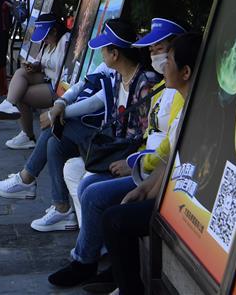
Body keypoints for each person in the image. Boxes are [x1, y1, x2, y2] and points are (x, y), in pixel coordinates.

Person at [49, 22, 193, 289]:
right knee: (78, 173)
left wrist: (134, 163)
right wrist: (60, 104)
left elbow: (167, 147)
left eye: (162, 51)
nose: (155, 56)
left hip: (147, 166)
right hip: (141, 162)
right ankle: (94, 256)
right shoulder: (159, 85)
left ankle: (87, 261)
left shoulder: (160, 87)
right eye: (151, 49)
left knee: (93, 193)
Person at [0, 19, 154, 232]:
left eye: (104, 49)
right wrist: (59, 104)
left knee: (56, 127)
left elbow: (144, 132)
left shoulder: (144, 83)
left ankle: (28, 180)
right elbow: (89, 90)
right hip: (112, 140)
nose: (101, 54)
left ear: (115, 54)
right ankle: (60, 207)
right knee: (54, 144)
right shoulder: (117, 74)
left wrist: (57, 113)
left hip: (123, 149)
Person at [100, 32, 204, 295]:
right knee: (115, 212)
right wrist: (144, 189)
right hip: (162, 187)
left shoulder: (200, 111)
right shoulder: (181, 103)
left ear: (186, 71)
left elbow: (181, 166)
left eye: (167, 60)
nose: (161, 66)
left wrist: (152, 194)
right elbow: (170, 158)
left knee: (114, 218)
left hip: (187, 206)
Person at [0, 13, 71, 149]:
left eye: (46, 36)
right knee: (21, 72)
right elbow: (44, 62)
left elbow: (63, 66)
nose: (44, 40)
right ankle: (9, 103)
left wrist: (41, 67)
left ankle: (27, 135)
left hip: (59, 84)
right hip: (47, 77)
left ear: (55, 31)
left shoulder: (65, 41)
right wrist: (35, 66)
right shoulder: (47, 45)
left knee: (22, 96)